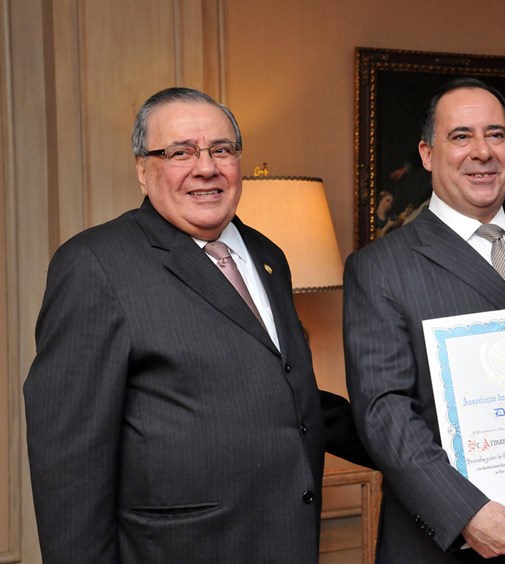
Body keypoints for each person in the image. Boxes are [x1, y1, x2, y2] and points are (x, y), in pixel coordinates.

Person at [24, 87, 370, 564]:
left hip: (287, 540)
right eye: (180, 152)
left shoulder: (268, 255)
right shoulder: (95, 263)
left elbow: (289, 394)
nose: (206, 168)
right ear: (143, 169)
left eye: (222, 150)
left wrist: (417, 448)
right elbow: (69, 459)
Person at [343, 77, 505, 562]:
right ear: (427, 154)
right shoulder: (380, 267)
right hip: (452, 545)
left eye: (496, 135)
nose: (482, 152)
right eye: (461, 136)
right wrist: (466, 512)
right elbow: (385, 413)